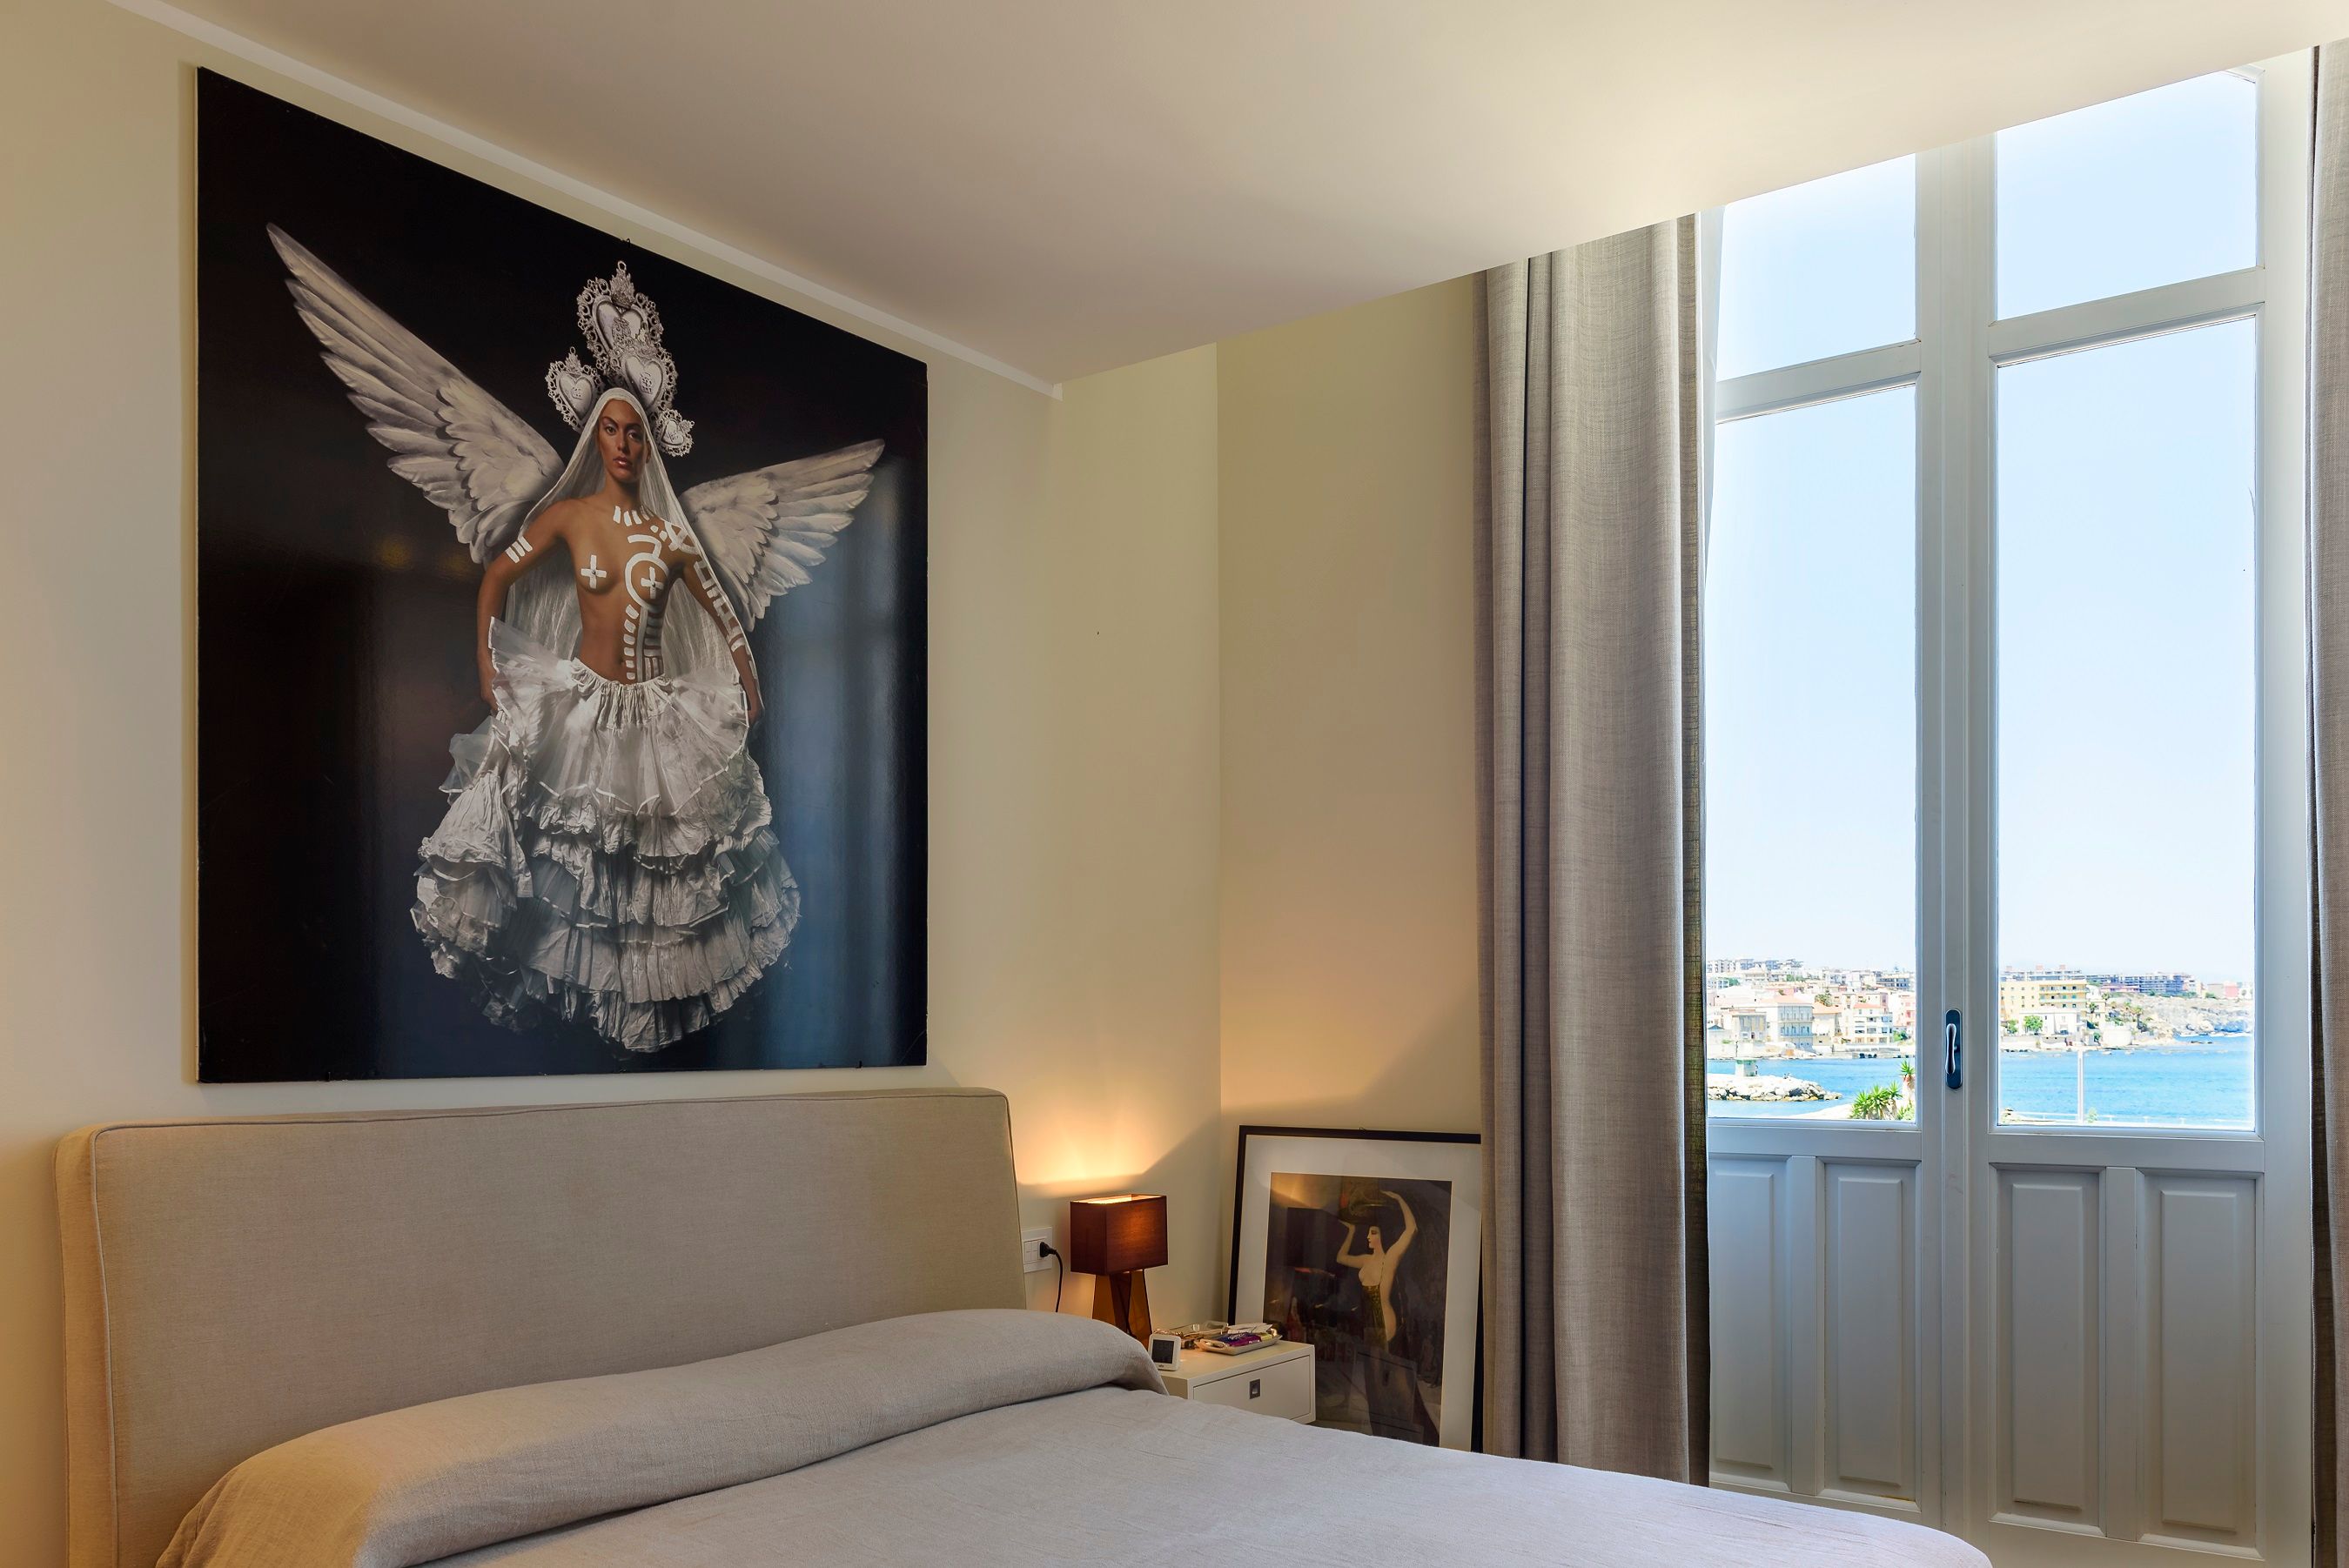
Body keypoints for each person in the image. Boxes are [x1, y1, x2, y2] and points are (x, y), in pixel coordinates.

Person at [412, 385, 796, 1052]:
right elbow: (498, 576)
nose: (623, 443)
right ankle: (576, 1020)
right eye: (612, 430)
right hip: (584, 708)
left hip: (655, 718)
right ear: (597, 438)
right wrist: (484, 660)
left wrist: (750, 680)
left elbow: (725, 616)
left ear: (647, 448)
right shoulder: (569, 516)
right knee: (572, 856)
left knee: (654, 868)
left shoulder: (669, 537)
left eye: (635, 433)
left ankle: (636, 1017)